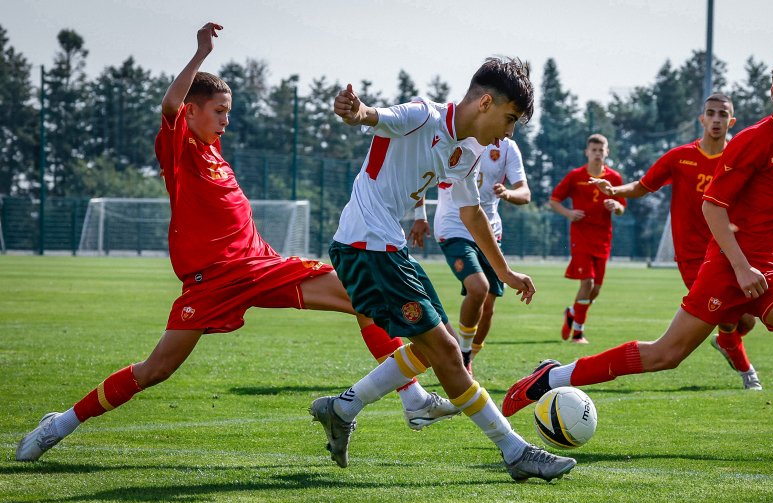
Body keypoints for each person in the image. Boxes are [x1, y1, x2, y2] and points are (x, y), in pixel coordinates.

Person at [15, 22, 456, 463]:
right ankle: (61, 423)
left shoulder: (213, 153)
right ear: (192, 112)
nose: (226, 120)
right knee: (156, 370)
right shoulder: (180, 149)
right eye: (219, 111)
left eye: (228, 112)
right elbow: (169, 104)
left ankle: (412, 398)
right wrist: (202, 53)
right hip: (211, 283)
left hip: (263, 269)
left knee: (364, 297)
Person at [503, 54, 773, 462]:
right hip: (730, 268)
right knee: (666, 354)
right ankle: (549, 378)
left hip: (771, 270)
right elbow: (713, 206)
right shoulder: (754, 140)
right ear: (771, 95)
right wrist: (742, 266)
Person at [311, 57, 575, 482]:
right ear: (485, 102)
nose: (508, 133)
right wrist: (355, 111)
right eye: (509, 119)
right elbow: (373, 117)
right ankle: (515, 451)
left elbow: (472, 214)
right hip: (365, 247)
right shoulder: (422, 116)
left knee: (441, 343)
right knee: (449, 354)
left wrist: (503, 273)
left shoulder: (467, 150)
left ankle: (342, 407)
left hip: (386, 249)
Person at [590, 94, 762, 390]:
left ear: (731, 121)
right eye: (711, 113)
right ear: (702, 119)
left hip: (729, 253)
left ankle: (726, 342)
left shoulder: (738, 158)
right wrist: (615, 189)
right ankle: (748, 374)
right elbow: (642, 187)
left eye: (723, 114)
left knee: (746, 320)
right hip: (693, 257)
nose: (717, 119)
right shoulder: (680, 156)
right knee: (725, 313)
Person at [408, 137, 531, 374]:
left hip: (489, 232)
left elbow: (524, 193)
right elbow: (421, 173)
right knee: (478, 287)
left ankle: (467, 357)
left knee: (488, 308)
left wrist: (507, 193)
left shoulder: (506, 147)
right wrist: (419, 216)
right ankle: (463, 356)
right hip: (453, 227)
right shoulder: (456, 136)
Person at [549, 134, 626, 344]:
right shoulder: (575, 176)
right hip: (581, 236)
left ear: (607, 152)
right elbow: (554, 200)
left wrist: (615, 206)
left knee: (595, 290)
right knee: (587, 282)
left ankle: (572, 312)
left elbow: (622, 208)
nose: (598, 154)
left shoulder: (615, 178)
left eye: (601, 150)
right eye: (594, 150)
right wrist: (569, 213)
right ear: (587, 152)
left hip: (603, 238)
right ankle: (578, 333)